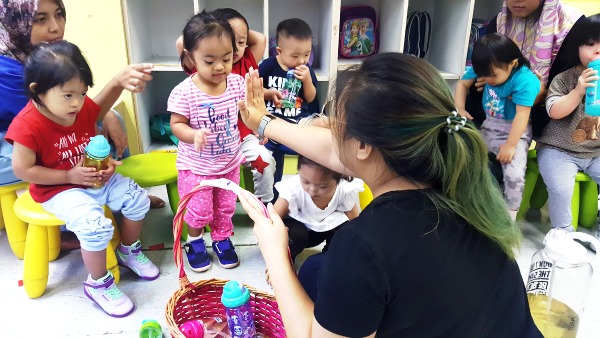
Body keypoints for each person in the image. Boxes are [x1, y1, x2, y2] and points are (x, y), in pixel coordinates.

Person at [237, 54, 541, 337]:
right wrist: (263, 122)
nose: (330, 133)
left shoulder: (364, 245)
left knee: (320, 272)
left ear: (364, 145)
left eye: (335, 124)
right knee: (318, 269)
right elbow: (336, 149)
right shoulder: (467, 184)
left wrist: (276, 253)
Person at [5, 41, 159, 317]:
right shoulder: (26, 126)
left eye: (82, 92)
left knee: (137, 198)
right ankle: (98, 284)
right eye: (68, 95)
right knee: (95, 226)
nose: (78, 102)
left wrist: (106, 165)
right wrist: (68, 174)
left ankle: (128, 251)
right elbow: (23, 170)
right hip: (57, 189)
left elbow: (99, 106)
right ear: (36, 90)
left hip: (94, 178)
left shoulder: (79, 107)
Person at [0, 0, 163, 251]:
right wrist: (70, 173)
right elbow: (48, 122)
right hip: (10, 141)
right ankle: (70, 224)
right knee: (57, 156)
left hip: (50, 126)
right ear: (16, 22)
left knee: (112, 121)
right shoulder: (8, 71)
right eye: (40, 19)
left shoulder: (53, 56)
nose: (55, 28)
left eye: (59, 15)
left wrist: (101, 114)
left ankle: (119, 192)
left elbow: (76, 108)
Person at [168, 10, 244, 272]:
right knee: (200, 211)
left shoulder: (235, 83)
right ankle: (195, 241)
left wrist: (266, 94)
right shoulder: (184, 91)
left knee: (225, 207)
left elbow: (245, 107)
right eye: (209, 61)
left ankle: (222, 239)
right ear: (190, 57)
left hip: (228, 163)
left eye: (226, 58)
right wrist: (193, 134)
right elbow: (176, 124)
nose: (220, 67)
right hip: (196, 168)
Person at [176, 8, 276, 204]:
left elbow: (260, 40)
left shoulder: (247, 59)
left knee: (265, 161)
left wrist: (236, 31)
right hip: (213, 146)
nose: (221, 66)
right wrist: (214, 27)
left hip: (243, 137)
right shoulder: (205, 67)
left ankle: (263, 205)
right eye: (233, 41)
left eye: (242, 42)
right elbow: (183, 43)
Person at [467, 0, 584, 138]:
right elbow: (477, 77)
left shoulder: (574, 26)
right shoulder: (499, 22)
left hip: (551, 111)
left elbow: (581, 86)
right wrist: (483, 80)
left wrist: (546, 95)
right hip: (501, 105)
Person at [454, 33, 540, 220]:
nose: (486, 80)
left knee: (514, 174)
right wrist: (459, 108)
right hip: (489, 124)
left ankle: (510, 215)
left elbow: (522, 115)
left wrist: (510, 145)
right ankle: (466, 201)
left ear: (512, 63)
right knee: (466, 156)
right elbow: (462, 83)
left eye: (492, 76)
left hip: (515, 130)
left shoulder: (525, 80)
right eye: (483, 75)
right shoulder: (486, 67)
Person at [536, 14, 600, 232]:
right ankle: (562, 234)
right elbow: (554, 111)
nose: (597, 51)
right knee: (562, 189)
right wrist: (578, 90)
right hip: (559, 150)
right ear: (578, 47)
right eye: (590, 44)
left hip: (595, 153)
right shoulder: (565, 78)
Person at [273, 155, 362, 261]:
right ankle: (287, 258)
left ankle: (330, 257)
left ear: (338, 180)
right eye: (305, 181)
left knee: (346, 229)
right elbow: (272, 219)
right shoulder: (293, 189)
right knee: (295, 234)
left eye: (323, 186)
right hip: (296, 233)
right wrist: (275, 257)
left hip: (322, 232)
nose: (312, 190)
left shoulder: (344, 189)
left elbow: (355, 222)